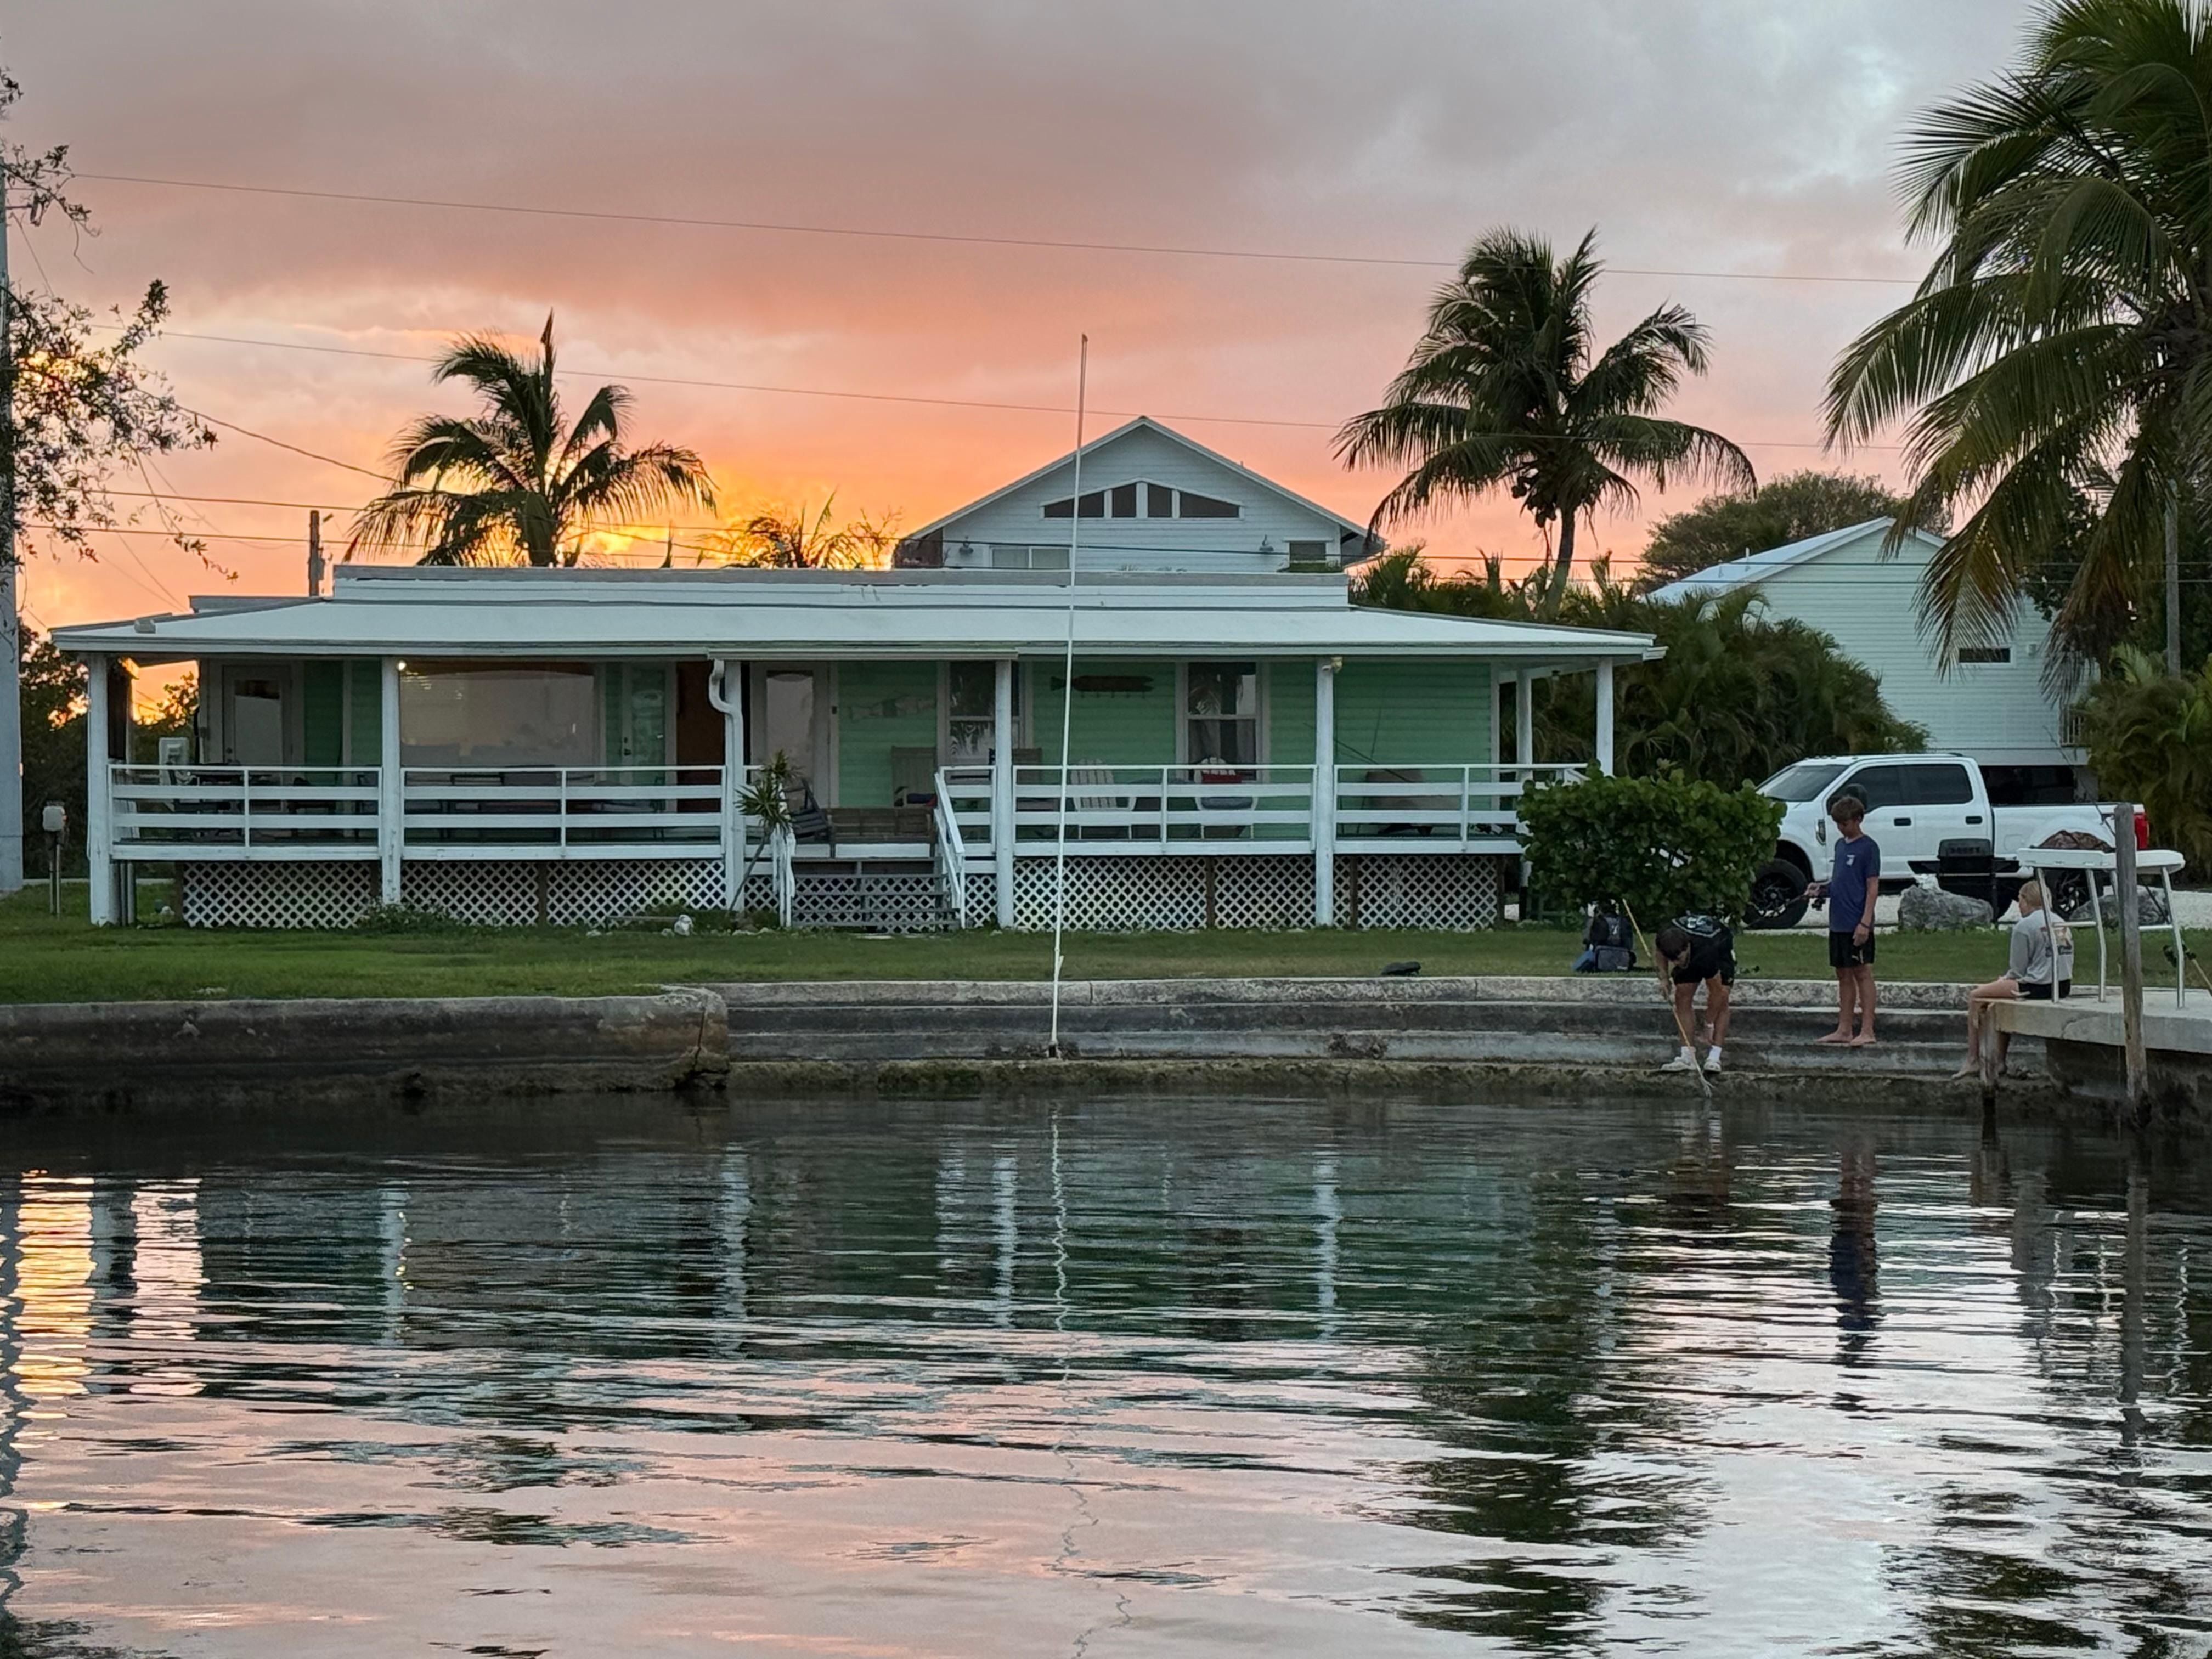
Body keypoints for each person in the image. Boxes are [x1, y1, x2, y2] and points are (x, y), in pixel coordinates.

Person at [1951, 879, 2073, 1080]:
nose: (2019, 905)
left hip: (2038, 986)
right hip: (2062, 984)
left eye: (2020, 900)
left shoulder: (2024, 927)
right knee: (1999, 999)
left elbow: (2017, 970)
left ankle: (1973, 1059)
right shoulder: (2059, 921)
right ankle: (1998, 1061)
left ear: (2026, 900)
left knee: (1976, 997)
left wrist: (2003, 980)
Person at [1807, 794, 1880, 1047]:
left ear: (1858, 819)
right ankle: (1845, 1028)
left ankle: (1868, 1029)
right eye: (1838, 823)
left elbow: (1872, 887)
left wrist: (1865, 923)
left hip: (1856, 921)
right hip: (1838, 921)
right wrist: (1822, 889)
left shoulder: (1868, 848)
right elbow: (1841, 882)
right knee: (1843, 974)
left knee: (1862, 973)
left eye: (1846, 823)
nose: (1842, 828)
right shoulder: (1840, 846)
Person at [1655, 915, 1734, 1074]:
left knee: (1723, 998)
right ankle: (1687, 1056)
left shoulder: (1708, 951)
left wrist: (1708, 1023)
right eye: (1673, 962)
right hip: (1693, 952)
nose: (1676, 965)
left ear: (1687, 947)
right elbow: (1658, 951)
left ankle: (1715, 1056)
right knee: (1682, 995)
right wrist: (1664, 978)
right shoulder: (1664, 936)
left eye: (1678, 959)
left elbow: (1716, 993)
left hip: (1718, 949)